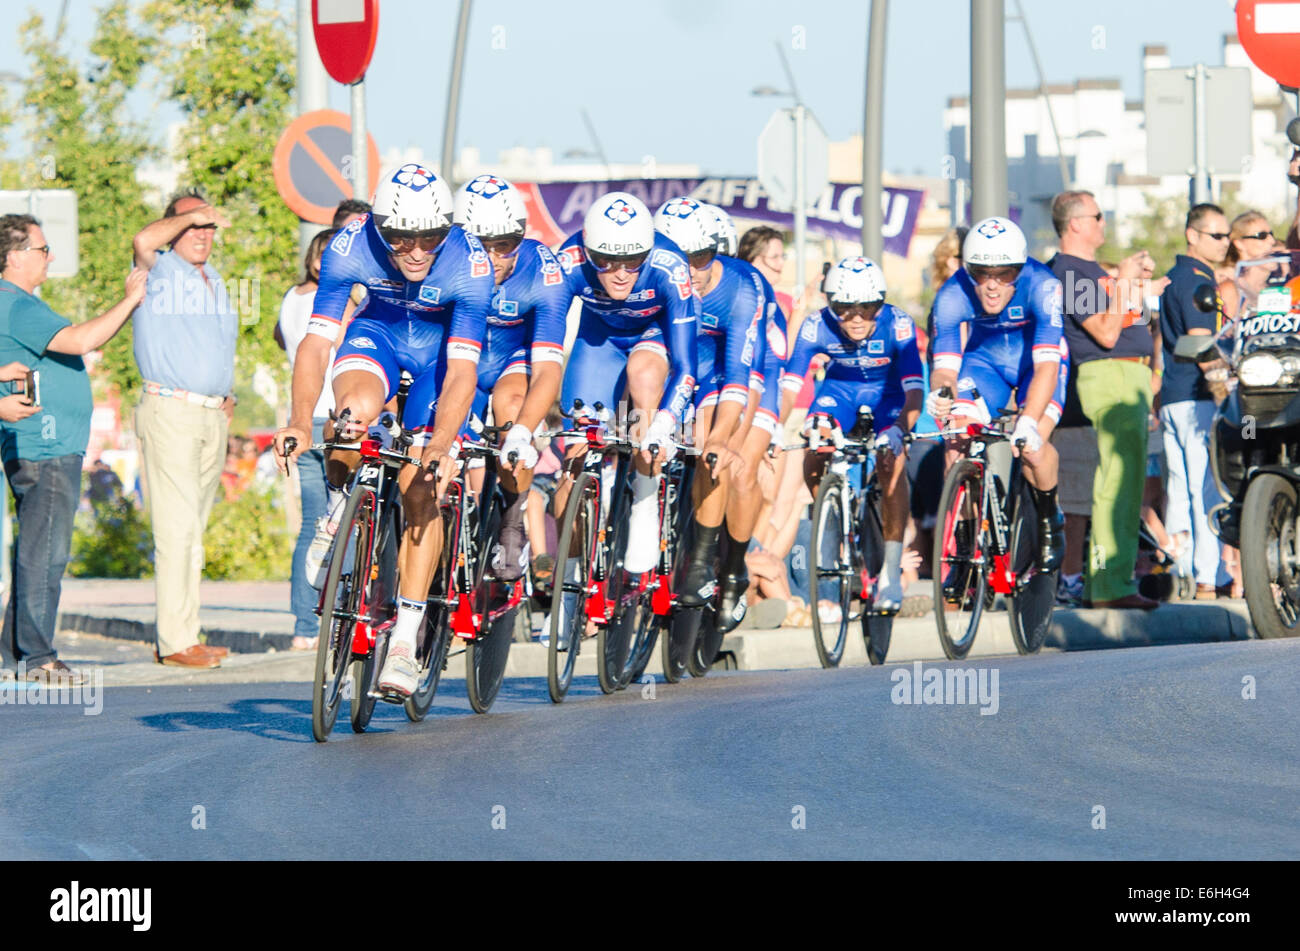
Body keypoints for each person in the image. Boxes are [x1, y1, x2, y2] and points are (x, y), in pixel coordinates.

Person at [274, 162, 492, 697]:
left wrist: (440, 446)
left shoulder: (471, 262)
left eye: (430, 238)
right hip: (378, 335)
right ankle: (336, 513)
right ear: (378, 226)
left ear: (448, 228)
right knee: (351, 417)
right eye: (401, 238)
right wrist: (302, 419)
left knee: (422, 487)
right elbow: (317, 344)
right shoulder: (350, 246)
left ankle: (405, 643)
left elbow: (463, 371)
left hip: (440, 356)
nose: (417, 251)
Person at [0, 213, 147, 683]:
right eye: (43, 250)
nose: (50, 257)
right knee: (46, 555)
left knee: (34, 551)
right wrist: (131, 300)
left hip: (40, 446)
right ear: (16, 255)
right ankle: (39, 659)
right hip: (45, 449)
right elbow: (84, 338)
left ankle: (13, 655)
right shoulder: (18, 305)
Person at [553, 191, 697, 575]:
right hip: (598, 343)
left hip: (653, 335)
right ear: (587, 252)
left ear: (647, 253)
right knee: (574, 462)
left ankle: (645, 499)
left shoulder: (670, 267)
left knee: (643, 375)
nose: (620, 272)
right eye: (606, 260)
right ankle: (567, 589)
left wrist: (666, 421)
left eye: (633, 262)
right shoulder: (567, 261)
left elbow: (686, 364)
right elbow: (546, 346)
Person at [132, 190, 239, 669]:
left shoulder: (214, 278)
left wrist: (227, 393)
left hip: (210, 414)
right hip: (171, 410)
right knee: (176, 530)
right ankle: (175, 641)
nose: (201, 232)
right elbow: (142, 237)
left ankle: (183, 633)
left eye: (208, 225)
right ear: (171, 228)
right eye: (190, 224)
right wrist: (192, 213)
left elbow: (213, 346)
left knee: (193, 530)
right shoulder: (159, 269)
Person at [781, 256, 924, 613]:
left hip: (889, 399)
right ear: (831, 304)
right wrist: (772, 423)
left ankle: (891, 567)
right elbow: (788, 386)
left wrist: (899, 430)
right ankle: (831, 512)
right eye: (845, 309)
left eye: (868, 309)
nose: (857, 319)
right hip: (838, 395)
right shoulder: (816, 326)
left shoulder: (898, 324)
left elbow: (914, 393)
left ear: (880, 304)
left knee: (891, 460)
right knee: (815, 441)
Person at [927, 216, 1068, 578]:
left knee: (1032, 447)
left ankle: (1050, 517)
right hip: (984, 364)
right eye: (981, 273)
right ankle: (963, 541)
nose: (991, 286)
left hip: (1036, 365)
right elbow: (946, 368)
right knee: (957, 437)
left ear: (1019, 271)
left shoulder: (1044, 286)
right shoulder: (952, 294)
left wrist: (1028, 421)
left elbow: (1046, 368)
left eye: (1003, 274)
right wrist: (942, 393)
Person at [452, 173, 569, 580]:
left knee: (512, 410)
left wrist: (521, 432)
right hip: (453, 357)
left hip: (510, 358)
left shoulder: (543, 270)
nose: (492, 257)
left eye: (505, 245)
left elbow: (549, 368)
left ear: (521, 237)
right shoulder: (440, 261)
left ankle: (512, 519)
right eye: (480, 246)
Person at [1048, 189, 1160, 610]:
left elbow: (1132, 321)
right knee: (1116, 483)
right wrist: (1125, 281)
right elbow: (1105, 332)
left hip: (1127, 374)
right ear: (1076, 223)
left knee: (1128, 484)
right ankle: (1109, 585)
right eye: (1098, 216)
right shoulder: (1071, 272)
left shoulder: (1090, 271)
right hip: (1107, 373)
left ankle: (1113, 580)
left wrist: (1142, 286)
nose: (1104, 223)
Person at [652, 197, 762, 621]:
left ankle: (725, 567)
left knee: (726, 458)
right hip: (677, 369)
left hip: (731, 372)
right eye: (680, 259)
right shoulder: (652, 278)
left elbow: (740, 372)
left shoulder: (740, 287)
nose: (690, 271)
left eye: (701, 258)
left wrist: (721, 437)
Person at [1159, 203, 1231, 599]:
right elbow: (1202, 345)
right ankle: (1208, 577)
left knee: (1180, 488)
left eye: (1226, 236)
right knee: (1206, 489)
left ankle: (1181, 572)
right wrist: (1228, 396)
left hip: (1174, 397)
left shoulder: (1174, 277)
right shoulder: (1195, 280)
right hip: (1197, 399)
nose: (1224, 243)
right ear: (1193, 235)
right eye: (1216, 235)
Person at [275, 227, 340, 651]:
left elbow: (284, 342)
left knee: (312, 526)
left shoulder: (289, 299)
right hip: (336, 417)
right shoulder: (334, 301)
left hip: (304, 415)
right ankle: (339, 616)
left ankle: (304, 626)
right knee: (343, 522)